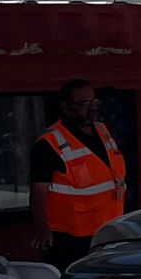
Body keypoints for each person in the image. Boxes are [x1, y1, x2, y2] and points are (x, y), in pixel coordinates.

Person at [30, 77, 129, 267]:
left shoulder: (102, 130)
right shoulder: (48, 144)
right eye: (84, 103)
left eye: (94, 101)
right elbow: (38, 194)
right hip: (70, 238)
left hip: (107, 231)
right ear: (66, 107)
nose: (92, 107)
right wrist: (42, 230)